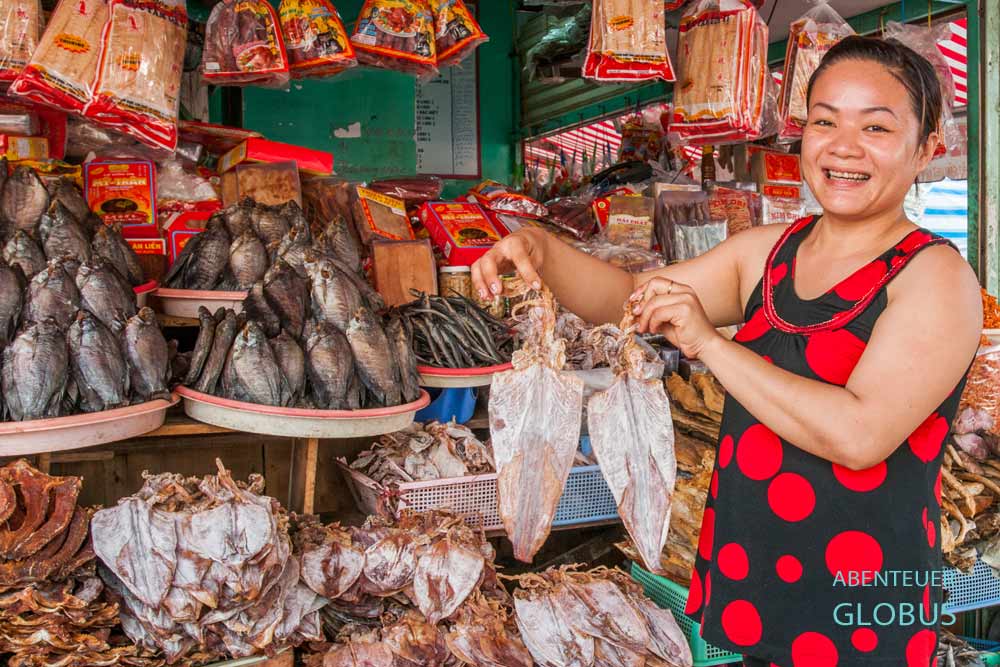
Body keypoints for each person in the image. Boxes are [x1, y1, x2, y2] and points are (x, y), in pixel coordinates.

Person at [472, 36, 982, 667]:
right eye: (824, 121)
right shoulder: (767, 254)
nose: (844, 146)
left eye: (876, 127)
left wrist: (710, 344)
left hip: (864, 597)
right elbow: (630, 295)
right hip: (758, 580)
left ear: (928, 146)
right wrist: (540, 250)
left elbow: (860, 434)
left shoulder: (934, 276)